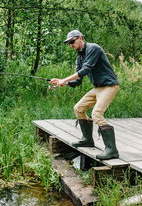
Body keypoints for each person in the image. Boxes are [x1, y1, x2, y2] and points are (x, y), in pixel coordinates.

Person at [49, 30, 119, 160]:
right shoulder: (79, 57)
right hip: (98, 87)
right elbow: (77, 82)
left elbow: (86, 70)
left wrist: (64, 79)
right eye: (69, 43)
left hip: (109, 85)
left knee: (97, 113)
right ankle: (87, 139)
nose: (71, 44)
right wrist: (61, 82)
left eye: (72, 41)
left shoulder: (93, 48)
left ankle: (111, 149)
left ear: (80, 38)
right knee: (78, 108)